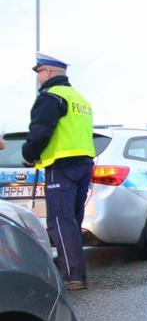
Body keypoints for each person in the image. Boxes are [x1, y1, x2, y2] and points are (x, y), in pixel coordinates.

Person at [22, 52, 95, 290]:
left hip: (61, 165)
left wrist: (28, 155)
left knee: (60, 222)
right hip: (84, 164)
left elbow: (40, 131)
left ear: (51, 72)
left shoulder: (51, 96)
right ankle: (77, 272)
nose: (39, 77)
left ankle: (73, 277)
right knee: (72, 221)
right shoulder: (79, 99)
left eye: (40, 72)